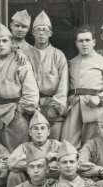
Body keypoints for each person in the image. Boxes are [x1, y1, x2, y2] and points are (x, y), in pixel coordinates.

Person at [61, 25, 103, 149]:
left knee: (94, 146)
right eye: (81, 41)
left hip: (95, 109)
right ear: (76, 44)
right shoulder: (71, 63)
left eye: (88, 40)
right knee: (68, 145)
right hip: (73, 108)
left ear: (94, 42)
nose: (84, 44)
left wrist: (100, 99)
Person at [0, 21, 39, 152]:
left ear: (11, 42)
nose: (1, 44)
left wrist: (19, 111)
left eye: (5, 41)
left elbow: (31, 92)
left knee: (18, 153)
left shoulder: (21, 62)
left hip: (14, 113)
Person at [24, 10, 68, 141]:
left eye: (45, 30)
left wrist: (55, 107)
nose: (41, 33)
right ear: (33, 33)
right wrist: (30, 105)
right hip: (32, 106)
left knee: (54, 144)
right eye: (38, 30)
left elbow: (63, 84)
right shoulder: (25, 55)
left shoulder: (58, 55)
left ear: (50, 33)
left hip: (52, 106)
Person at [7, 111, 61, 187]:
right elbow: (11, 163)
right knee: (14, 174)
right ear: (30, 133)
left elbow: (68, 163)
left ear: (48, 132)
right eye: (36, 128)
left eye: (42, 128)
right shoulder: (24, 147)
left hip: (53, 182)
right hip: (30, 183)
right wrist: (46, 159)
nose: (39, 132)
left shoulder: (56, 145)